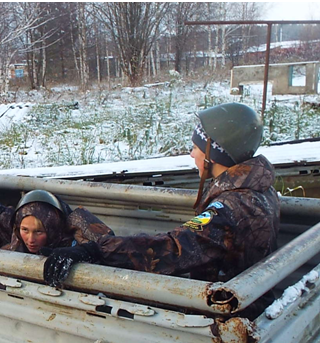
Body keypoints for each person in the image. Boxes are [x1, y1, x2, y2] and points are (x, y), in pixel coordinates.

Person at [43, 102, 281, 299]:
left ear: (214, 153)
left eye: (196, 147)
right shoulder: (258, 189)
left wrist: (94, 251)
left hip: (221, 312)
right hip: (242, 296)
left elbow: (172, 248)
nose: (191, 154)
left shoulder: (230, 208)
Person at [3, 190, 114, 254]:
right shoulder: (12, 249)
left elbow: (111, 249)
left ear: (53, 230)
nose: (31, 240)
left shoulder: (74, 246)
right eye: (25, 230)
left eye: (39, 232)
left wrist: (82, 253)